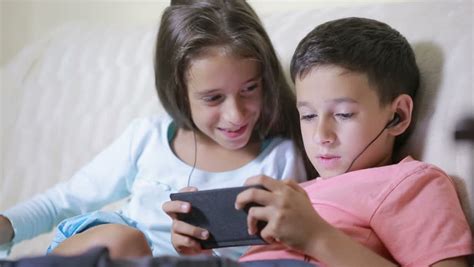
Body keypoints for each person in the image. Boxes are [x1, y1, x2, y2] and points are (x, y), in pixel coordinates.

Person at [0, 0, 313, 261]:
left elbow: (284, 251)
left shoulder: (280, 160)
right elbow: (65, 200)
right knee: (121, 240)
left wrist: (196, 254)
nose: (235, 114)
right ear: (179, 92)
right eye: (213, 98)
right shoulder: (148, 138)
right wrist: (7, 226)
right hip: (110, 255)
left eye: (249, 88)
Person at [170, 17, 473, 266]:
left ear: (398, 115)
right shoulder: (298, 192)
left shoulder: (410, 183)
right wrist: (205, 246)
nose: (321, 137)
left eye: (343, 114)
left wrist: (316, 237)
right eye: (309, 116)